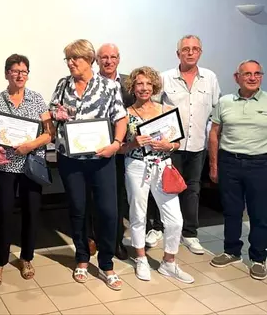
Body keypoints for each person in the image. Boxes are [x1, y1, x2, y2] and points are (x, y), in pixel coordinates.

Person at [50, 39, 127, 290]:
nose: (71, 63)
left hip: (101, 159)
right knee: (77, 209)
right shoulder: (63, 84)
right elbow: (52, 112)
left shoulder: (108, 86)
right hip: (70, 160)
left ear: (89, 60)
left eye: (75, 59)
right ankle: (82, 258)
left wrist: (116, 144)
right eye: (68, 59)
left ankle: (106, 263)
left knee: (107, 211)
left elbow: (120, 118)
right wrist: (56, 115)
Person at [0, 54, 54, 286]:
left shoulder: (37, 99)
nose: (20, 75)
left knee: (31, 213)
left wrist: (30, 145)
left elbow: (48, 132)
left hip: (30, 165)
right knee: (3, 214)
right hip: (4, 165)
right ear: (6, 74)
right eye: (15, 71)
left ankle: (26, 258)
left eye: (24, 71)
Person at [121, 66, 194, 283]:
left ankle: (169, 262)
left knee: (175, 219)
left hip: (163, 166)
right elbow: (120, 147)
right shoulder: (126, 114)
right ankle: (141, 258)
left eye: (148, 84)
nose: (144, 88)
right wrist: (133, 142)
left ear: (154, 86)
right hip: (136, 166)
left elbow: (177, 142)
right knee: (137, 214)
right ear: (132, 87)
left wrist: (168, 146)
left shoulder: (166, 110)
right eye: (139, 84)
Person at [160, 35, 221, 255]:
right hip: (171, 146)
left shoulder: (210, 78)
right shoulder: (165, 78)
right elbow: (155, 111)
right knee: (165, 187)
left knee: (192, 189)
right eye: (185, 49)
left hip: (197, 145)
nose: (190, 52)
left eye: (195, 49)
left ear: (200, 52)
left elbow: (216, 111)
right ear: (178, 54)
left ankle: (190, 234)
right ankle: (161, 228)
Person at [208, 60, 267, 280]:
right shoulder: (225, 102)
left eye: (257, 74)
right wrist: (214, 164)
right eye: (247, 74)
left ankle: (258, 257)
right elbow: (214, 133)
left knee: (259, 213)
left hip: (260, 164)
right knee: (232, 211)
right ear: (237, 77)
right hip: (229, 163)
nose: (252, 78)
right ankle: (231, 250)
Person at [93, 43, 131, 260]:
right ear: (97, 60)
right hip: (93, 149)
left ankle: (115, 241)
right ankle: (93, 239)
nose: (108, 61)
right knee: (92, 197)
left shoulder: (128, 83)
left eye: (113, 57)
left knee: (116, 198)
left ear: (119, 59)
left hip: (119, 151)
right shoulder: (89, 82)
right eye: (104, 57)